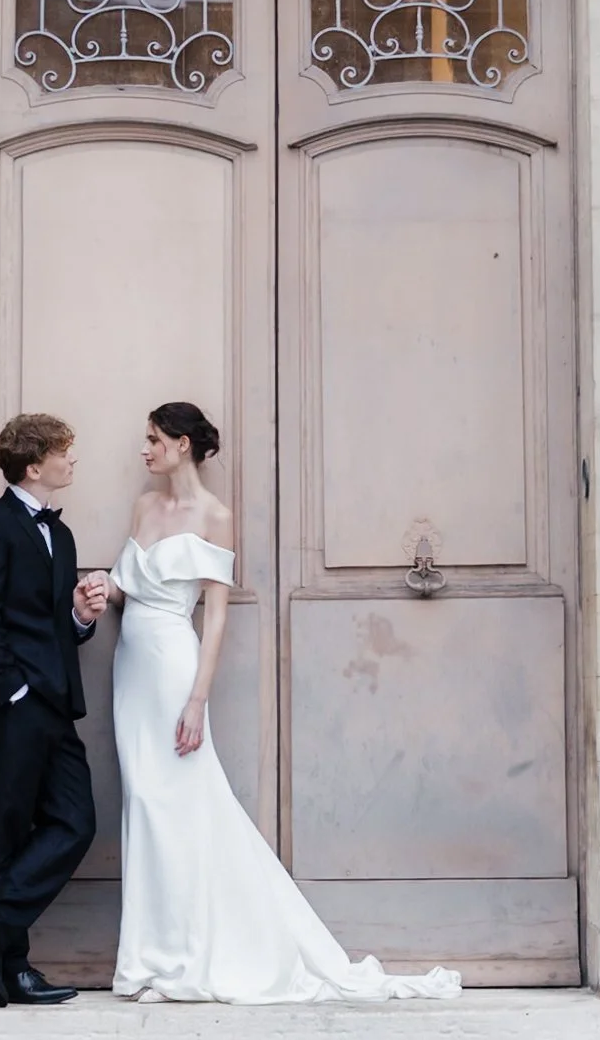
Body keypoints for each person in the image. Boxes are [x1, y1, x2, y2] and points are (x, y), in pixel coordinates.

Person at [103, 400, 461, 1004]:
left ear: (182, 444)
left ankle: (187, 954)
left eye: (153, 439)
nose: (145, 449)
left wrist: (197, 700)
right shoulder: (144, 506)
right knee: (143, 801)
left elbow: (214, 616)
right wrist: (96, 591)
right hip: (130, 667)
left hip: (171, 668)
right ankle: (151, 955)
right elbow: (123, 586)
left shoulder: (216, 517)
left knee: (180, 805)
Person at [0, 412, 109, 1008]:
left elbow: (57, 627)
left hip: (57, 700)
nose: (73, 462)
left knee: (75, 821)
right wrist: (9, 693)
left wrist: (81, 616)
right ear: (35, 464)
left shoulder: (60, 535)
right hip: (18, 703)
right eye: (66, 453)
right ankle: (9, 968)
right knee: (7, 827)